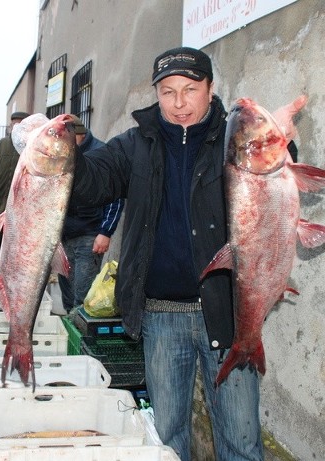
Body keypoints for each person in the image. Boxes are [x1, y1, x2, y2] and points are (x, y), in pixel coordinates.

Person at [69, 47, 305, 461]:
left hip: (227, 310)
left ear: (211, 89)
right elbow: (92, 183)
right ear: (157, 93)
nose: (178, 103)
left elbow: (270, 192)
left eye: (190, 89)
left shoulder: (233, 139)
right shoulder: (133, 143)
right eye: (167, 91)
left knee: (241, 440)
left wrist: (283, 143)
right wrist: (60, 156)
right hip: (161, 313)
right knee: (166, 437)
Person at [59, 116, 124, 313]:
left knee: (83, 293)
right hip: (64, 234)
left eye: (65, 137)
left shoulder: (100, 153)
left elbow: (117, 196)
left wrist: (106, 232)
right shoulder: (63, 154)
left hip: (90, 235)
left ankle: (79, 339)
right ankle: (69, 335)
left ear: (77, 134)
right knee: (67, 292)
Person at [0, 111, 29, 215]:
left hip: (23, 212)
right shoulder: (1, 145)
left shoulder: (32, 146)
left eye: (21, 125)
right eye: (14, 125)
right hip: (1, 207)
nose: (16, 128)